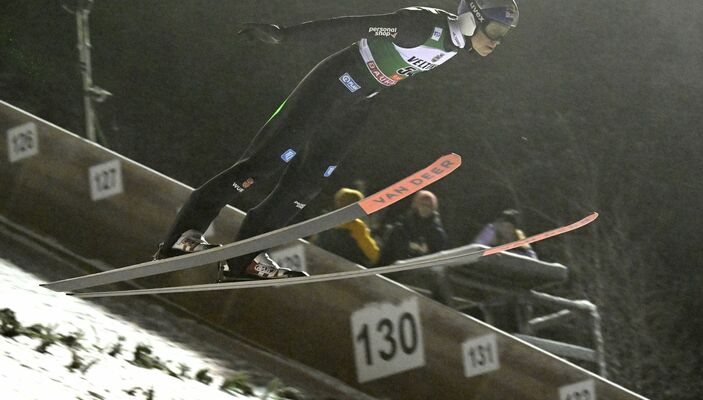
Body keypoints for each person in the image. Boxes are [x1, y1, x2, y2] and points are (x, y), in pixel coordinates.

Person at [153, 1, 521, 280]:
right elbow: (353, 26)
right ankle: (183, 235)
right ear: (472, 17)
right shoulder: (422, 23)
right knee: (262, 165)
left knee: (305, 187)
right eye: (496, 31)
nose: (496, 42)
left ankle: (244, 257)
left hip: (356, 105)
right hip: (330, 86)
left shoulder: (457, 47)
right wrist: (285, 34)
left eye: (503, 36)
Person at [311, 188, 380, 267]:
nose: (341, 203)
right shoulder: (329, 220)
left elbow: (372, 254)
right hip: (325, 262)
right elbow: (373, 255)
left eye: (346, 202)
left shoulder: (355, 226)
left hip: (337, 264)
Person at [379, 191, 449, 265]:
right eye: (423, 204)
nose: (425, 208)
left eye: (429, 206)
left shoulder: (437, 234)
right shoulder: (401, 227)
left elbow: (437, 260)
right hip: (394, 268)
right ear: (415, 205)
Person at [472, 209, 537, 258]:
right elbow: (476, 249)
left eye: (510, 228)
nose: (507, 230)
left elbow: (532, 256)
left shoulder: (519, 234)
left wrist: (511, 254)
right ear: (499, 225)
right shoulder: (491, 229)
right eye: (505, 226)